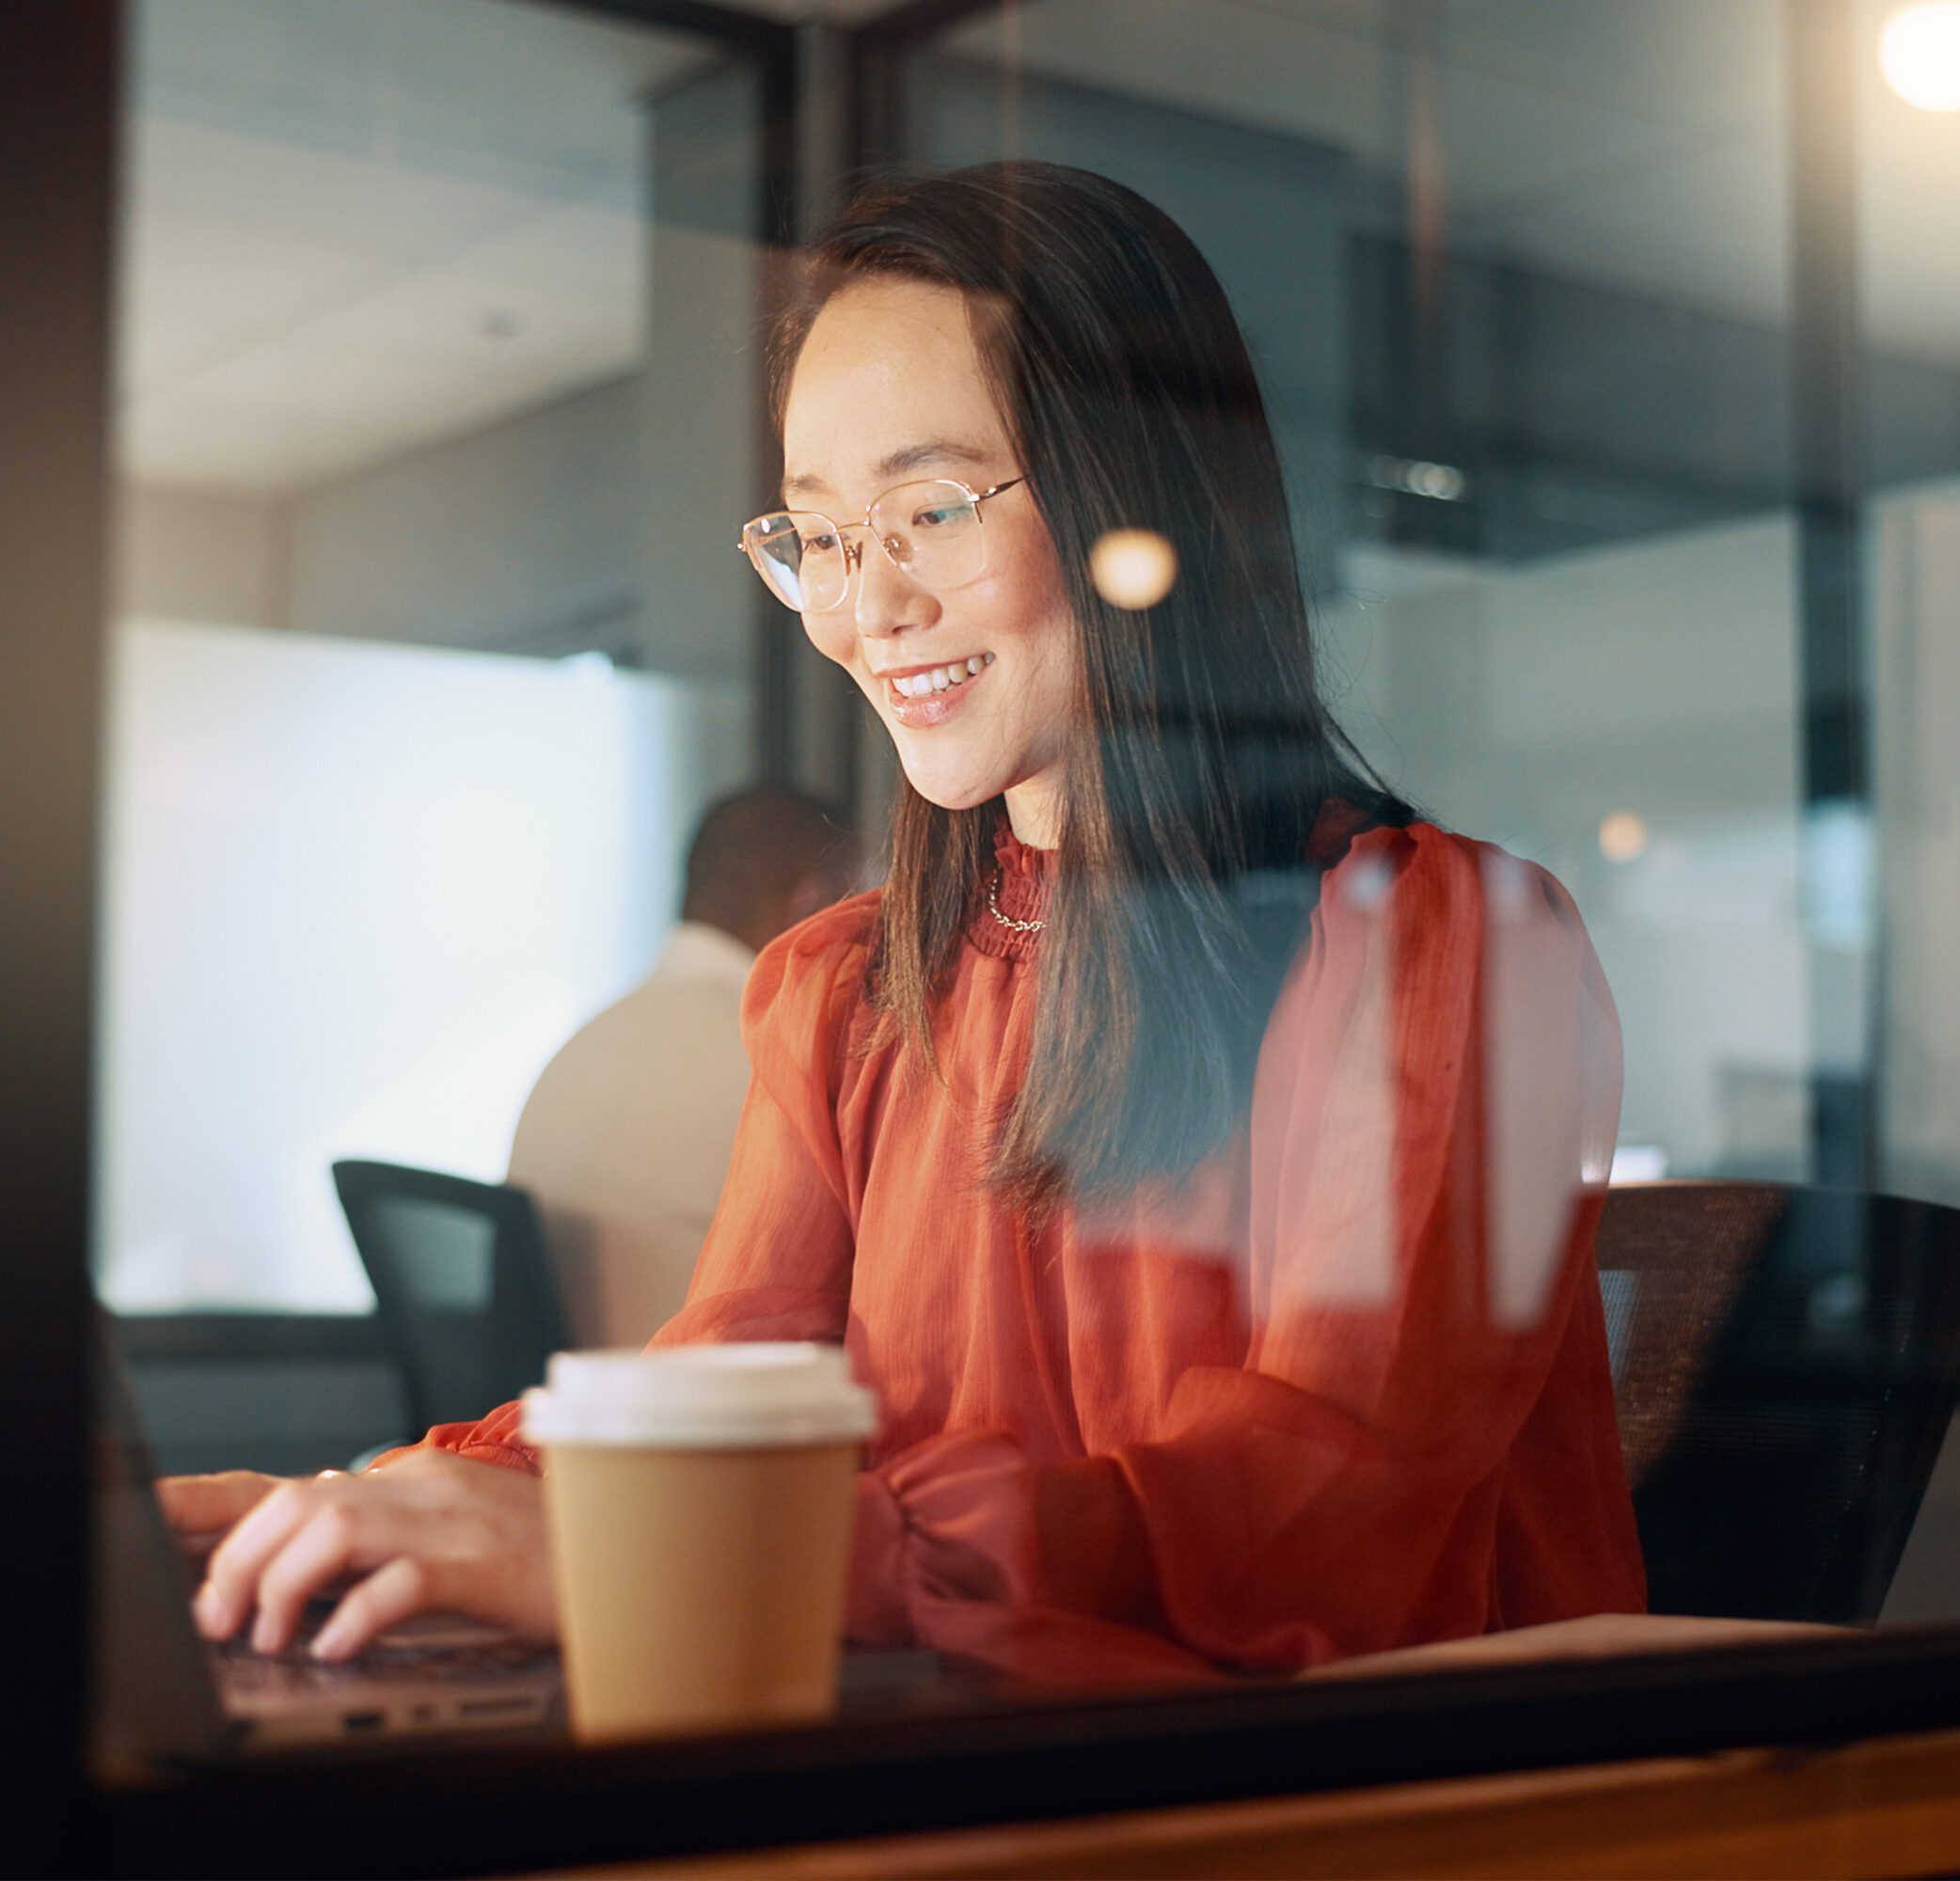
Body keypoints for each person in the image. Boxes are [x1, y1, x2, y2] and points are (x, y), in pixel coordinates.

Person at [162, 161, 1646, 1687]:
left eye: (928, 507)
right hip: (963, 1770)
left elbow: (1308, 1531)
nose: (866, 605)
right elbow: (716, 1396)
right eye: (819, 533)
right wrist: (377, 1503)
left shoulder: (1436, 944)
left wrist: (685, 1556)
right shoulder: (845, 993)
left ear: (1135, 502)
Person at [507, 786, 857, 1347]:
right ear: (809, 907)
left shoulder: (574, 1052)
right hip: (696, 1415)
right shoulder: (773, 1066)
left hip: (568, 1413)